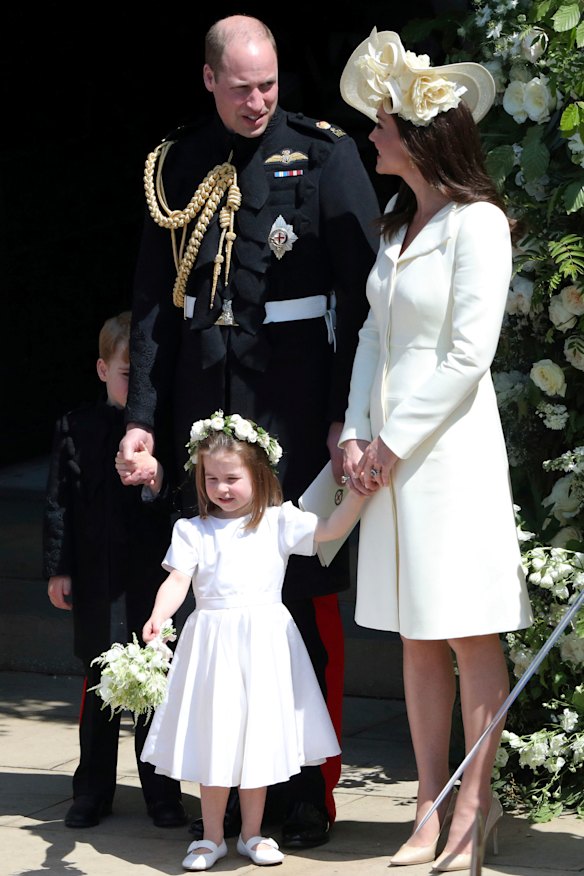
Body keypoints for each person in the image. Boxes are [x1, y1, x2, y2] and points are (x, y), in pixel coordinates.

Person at [118, 13, 380, 847]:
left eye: (268, 84)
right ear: (208, 80)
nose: (258, 100)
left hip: (297, 406)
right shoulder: (178, 163)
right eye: (241, 87)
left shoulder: (325, 152)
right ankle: (197, 785)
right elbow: (158, 309)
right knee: (202, 596)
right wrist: (141, 424)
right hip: (206, 403)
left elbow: (361, 299)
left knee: (297, 599)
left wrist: (348, 412)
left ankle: (307, 787)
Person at [337, 29, 533, 872]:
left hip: (447, 458)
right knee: (418, 636)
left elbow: (467, 355)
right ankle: (427, 802)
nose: (372, 134)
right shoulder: (396, 227)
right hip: (387, 456)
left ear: (419, 134)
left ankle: (474, 806)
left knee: (465, 633)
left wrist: (392, 441)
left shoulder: (477, 224)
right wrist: (353, 434)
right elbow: (375, 341)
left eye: (382, 122)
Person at [138, 412, 366, 871]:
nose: (222, 488)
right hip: (213, 646)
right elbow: (178, 580)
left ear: (259, 476)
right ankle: (212, 837)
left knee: (258, 740)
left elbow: (331, 529)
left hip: (264, 644)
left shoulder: (279, 522)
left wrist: (360, 492)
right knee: (217, 737)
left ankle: (253, 833)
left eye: (233, 478)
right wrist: (160, 615)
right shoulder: (193, 530)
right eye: (212, 478)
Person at [42, 311, 188, 829]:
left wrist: (155, 480)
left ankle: (162, 791)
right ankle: (92, 790)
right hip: (98, 576)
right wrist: (60, 568)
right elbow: (59, 501)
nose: (137, 387)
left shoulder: (161, 431)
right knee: (101, 684)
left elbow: (176, 503)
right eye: (128, 375)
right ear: (104, 370)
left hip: (148, 574)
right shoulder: (77, 426)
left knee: (153, 682)